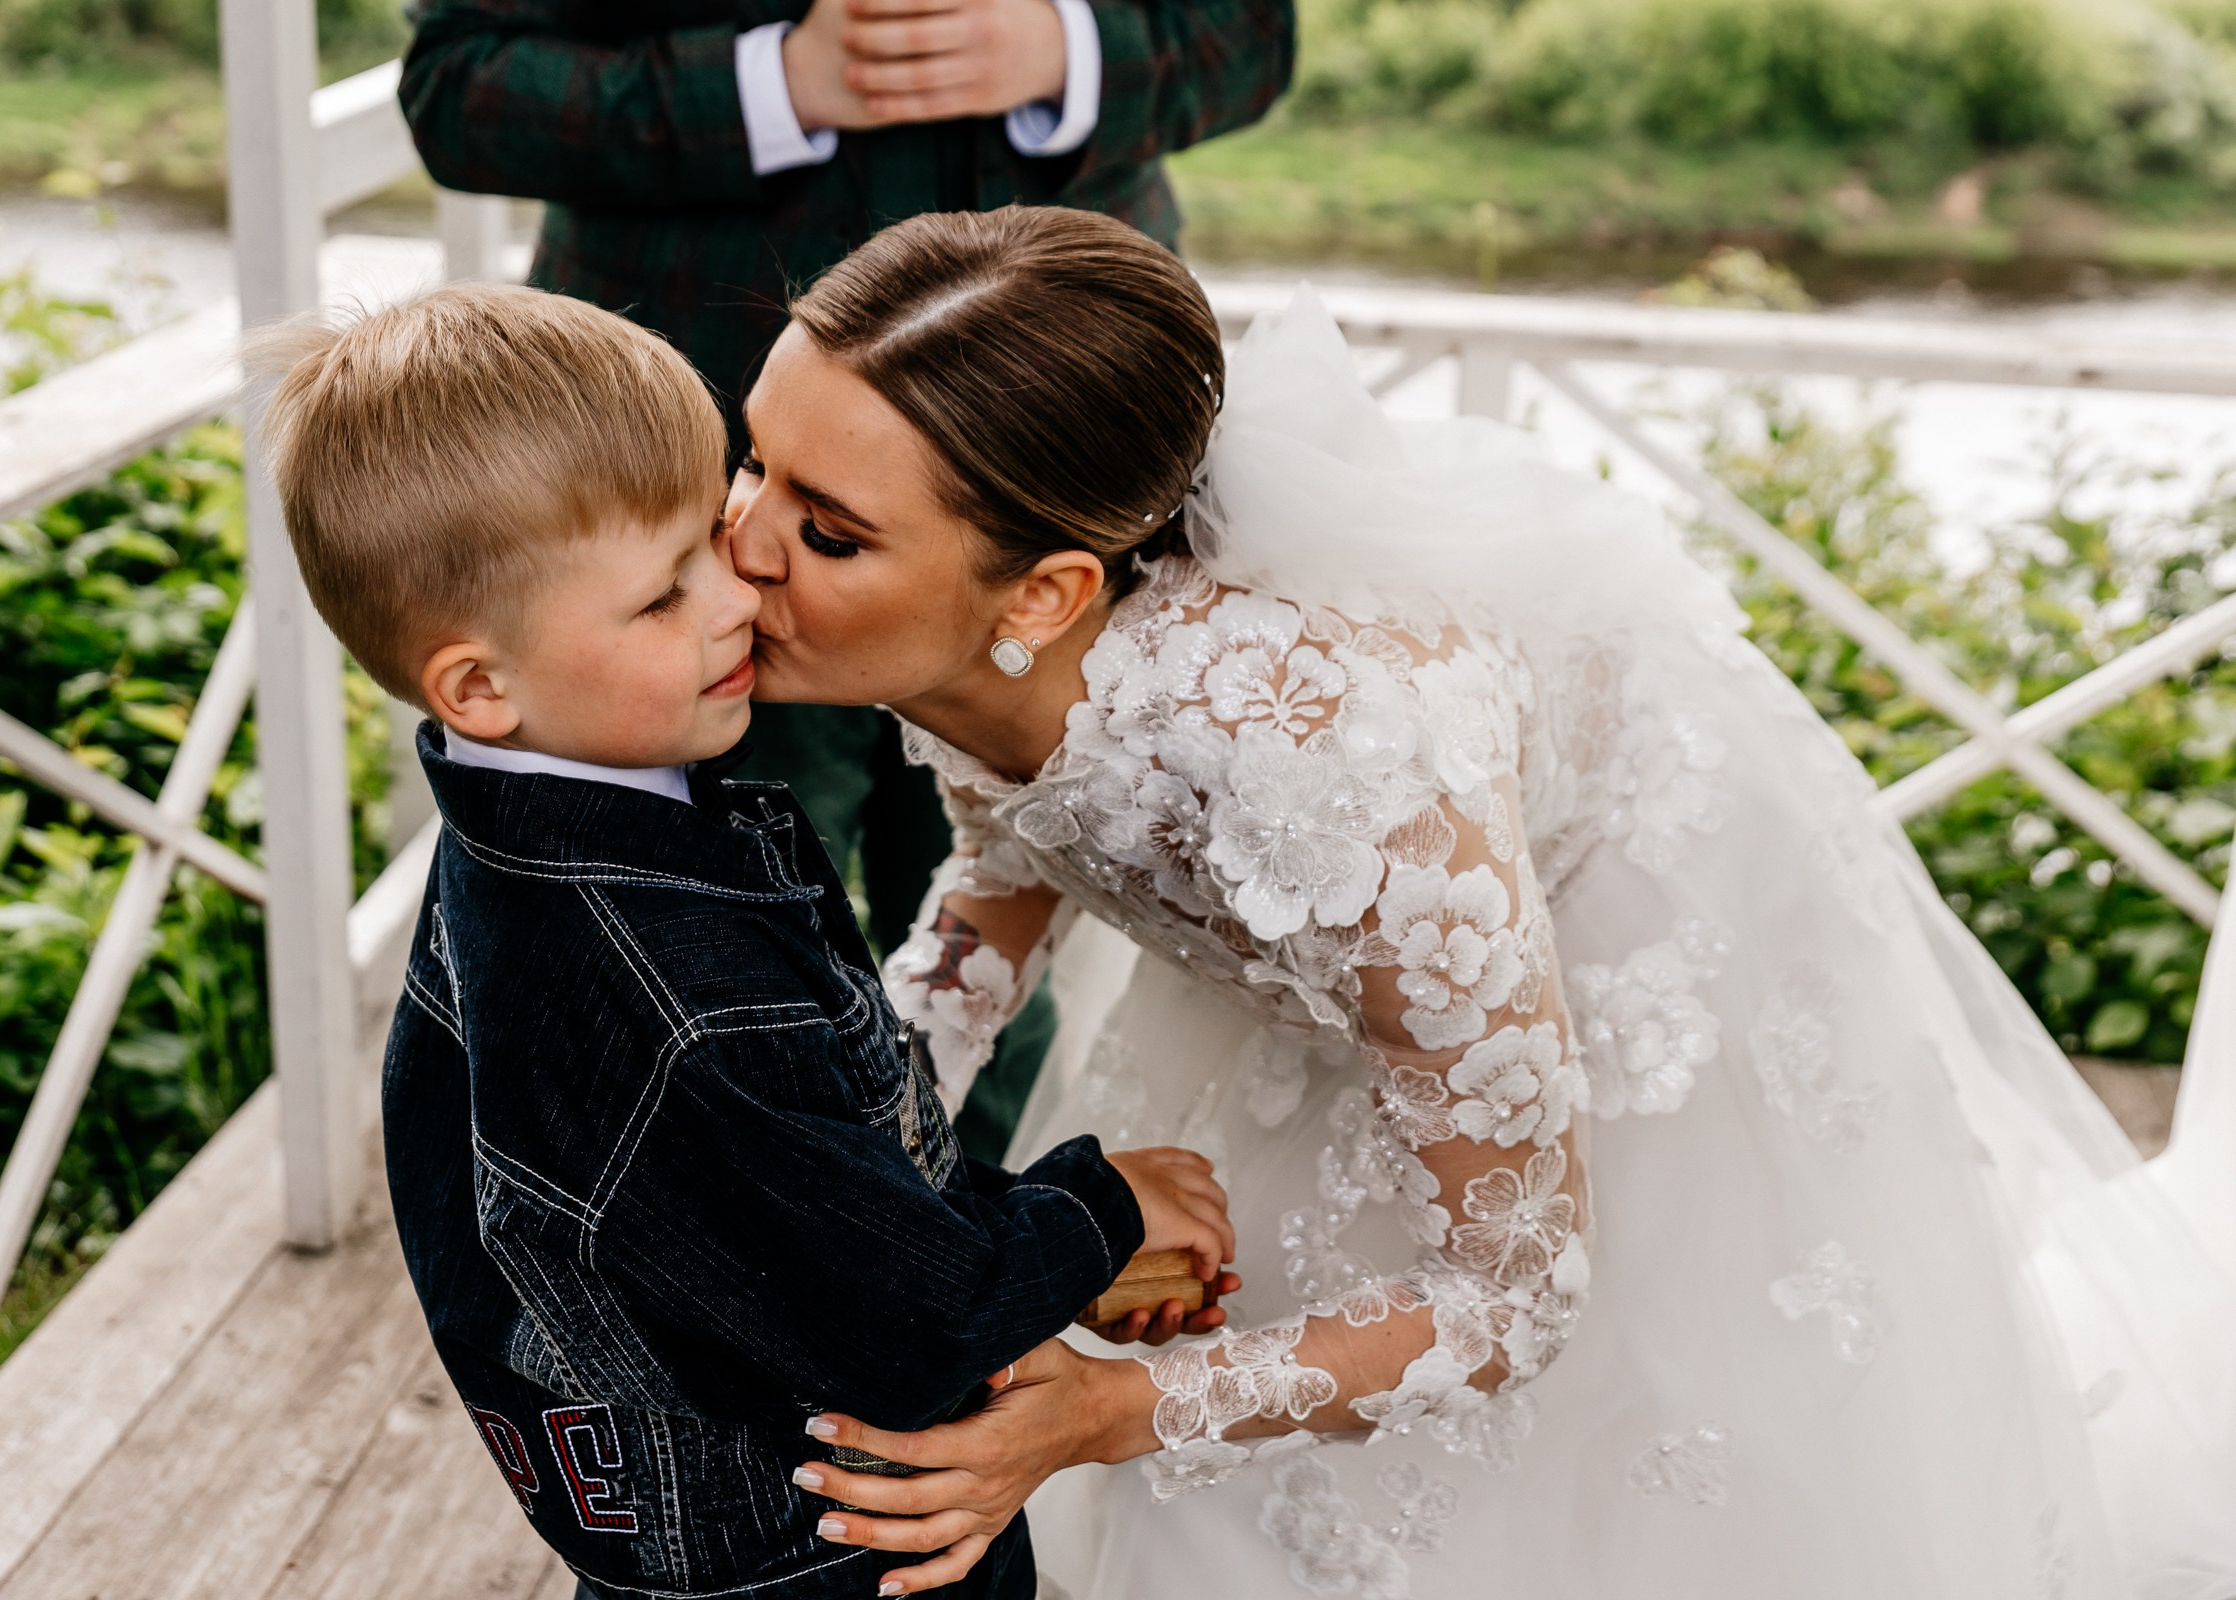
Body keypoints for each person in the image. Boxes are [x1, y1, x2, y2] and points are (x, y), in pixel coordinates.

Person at [718, 206, 2236, 1597]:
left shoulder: (1349, 781)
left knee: (1603, 1451)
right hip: (1334, 971)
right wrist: (833, 1193)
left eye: (829, 529)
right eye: (753, 460)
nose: (741, 540)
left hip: (1586, 939)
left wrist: (1112, 1406)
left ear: (1043, 595)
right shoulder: (968, 649)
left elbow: (1517, 1294)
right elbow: (995, 891)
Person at [249, 281, 1240, 1600]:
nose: (737, 598)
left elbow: (790, 1200)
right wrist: (1096, 1213)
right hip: (831, 1553)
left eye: (712, 529)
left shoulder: (524, 827)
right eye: (664, 599)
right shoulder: (669, 997)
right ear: (479, 685)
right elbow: (902, 1325)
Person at [396, 0, 1297, 1160]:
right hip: (695, 456)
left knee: (1006, 923)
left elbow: (1249, 37)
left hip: (1046, 466)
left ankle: (965, 1259)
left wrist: (1067, 53)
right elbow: (457, 85)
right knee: (697, 952)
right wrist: (770, 86)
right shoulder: (735, 538)